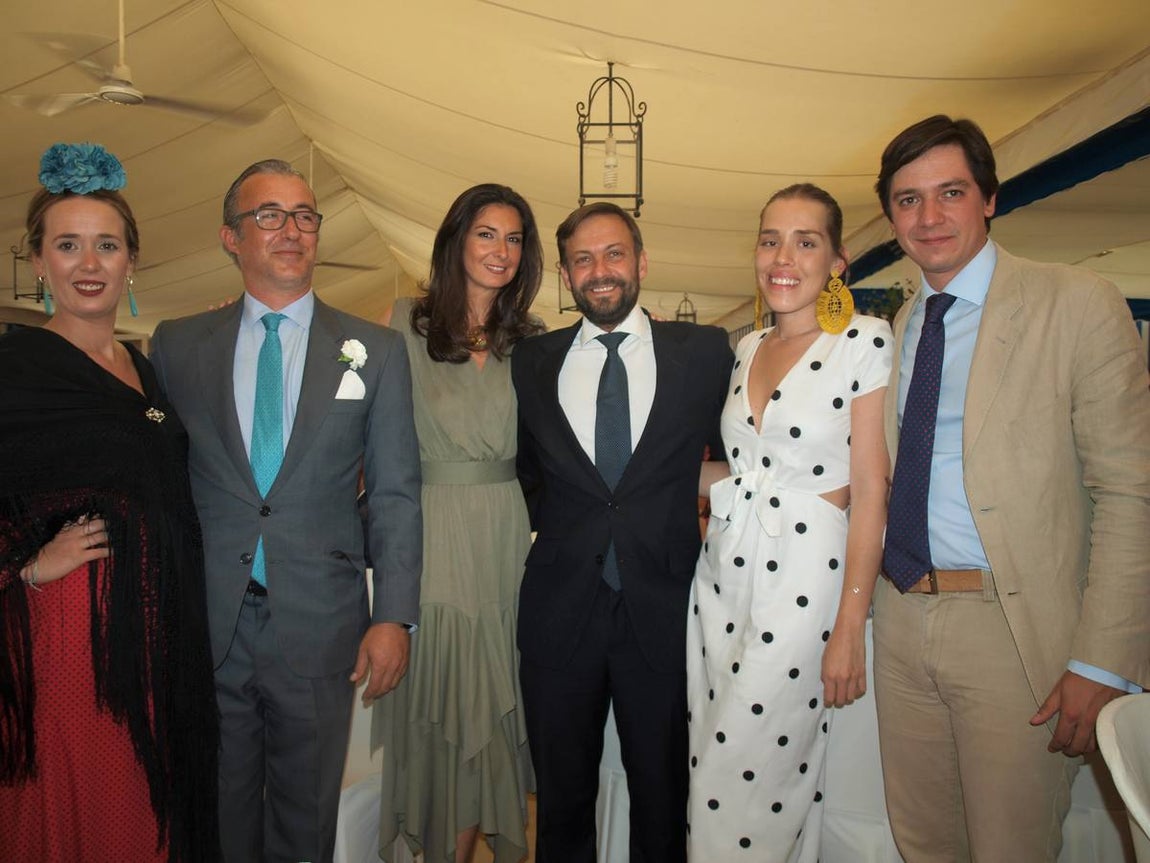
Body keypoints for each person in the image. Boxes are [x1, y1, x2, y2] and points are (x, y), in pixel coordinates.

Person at [873, 114, 1150, 861]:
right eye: (907, 200)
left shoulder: (1076, 302)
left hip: (1010, 626)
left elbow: (1132, 492)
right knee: (924, 844)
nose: (929, 218)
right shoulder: (896, 328)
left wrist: (1101, 660)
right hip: (900, 620)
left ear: (989, 198)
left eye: (950, 192)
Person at [150, 158, 423, 863]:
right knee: (217, 813)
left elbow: (394, 491)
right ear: (230, 237)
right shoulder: (178, 347)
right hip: (211, 623)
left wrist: (393, 614)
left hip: (321, 622)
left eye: (304, 215)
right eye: (268, 215)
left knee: (306, 822)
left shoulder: (377, 353)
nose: (291, 230)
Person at [0, 143, 218, 862]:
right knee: (93, 807)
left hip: (160, 635)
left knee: (149, 813)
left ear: (131, 263)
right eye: (67, 245)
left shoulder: (144, 369)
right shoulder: (16, 369)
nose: (88, 264)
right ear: (37, 262)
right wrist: (29, 567)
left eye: (106, 245)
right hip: (73, 640)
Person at [513, 201, 733, 862]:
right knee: (560, 802)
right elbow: (525, 473)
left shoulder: (703, 353)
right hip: (559, 611)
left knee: (664, 797)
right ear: (565, 274)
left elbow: (741, 456)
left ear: (641, 262)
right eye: (583, 259)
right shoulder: (531, 362)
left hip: (664, 610)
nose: (599, 271)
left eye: (613, 254)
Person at [686, 184, 891, 861]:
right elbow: (742, 475)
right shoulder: (746, 348)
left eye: (807, 241)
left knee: (740, 773)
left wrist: (850, 624)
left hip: (807, 583)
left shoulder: (863, 340)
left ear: (839, 260)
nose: (784, 256)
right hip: (721, 583)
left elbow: (870, 488)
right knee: (729, 772)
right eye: (771, 238)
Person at [372, 183, 543, 863]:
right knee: (445, 704)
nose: (501, 251)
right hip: (433, 532)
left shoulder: (528, 342)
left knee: (495, 705)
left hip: (506, 537)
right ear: (455, 241)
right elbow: (366, 434)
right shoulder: (403, 324)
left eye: (514, 239)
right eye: (486, 235)